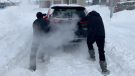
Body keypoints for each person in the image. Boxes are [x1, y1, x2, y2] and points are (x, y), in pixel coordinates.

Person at [82, 11, 110, 75]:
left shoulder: (89, 16)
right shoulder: (99, 17)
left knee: (89, 43)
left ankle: (92, 57)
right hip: (101, 35)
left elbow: (81, 20)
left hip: (92, 34)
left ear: (90, 13)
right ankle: (104, 69)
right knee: (101, 50)